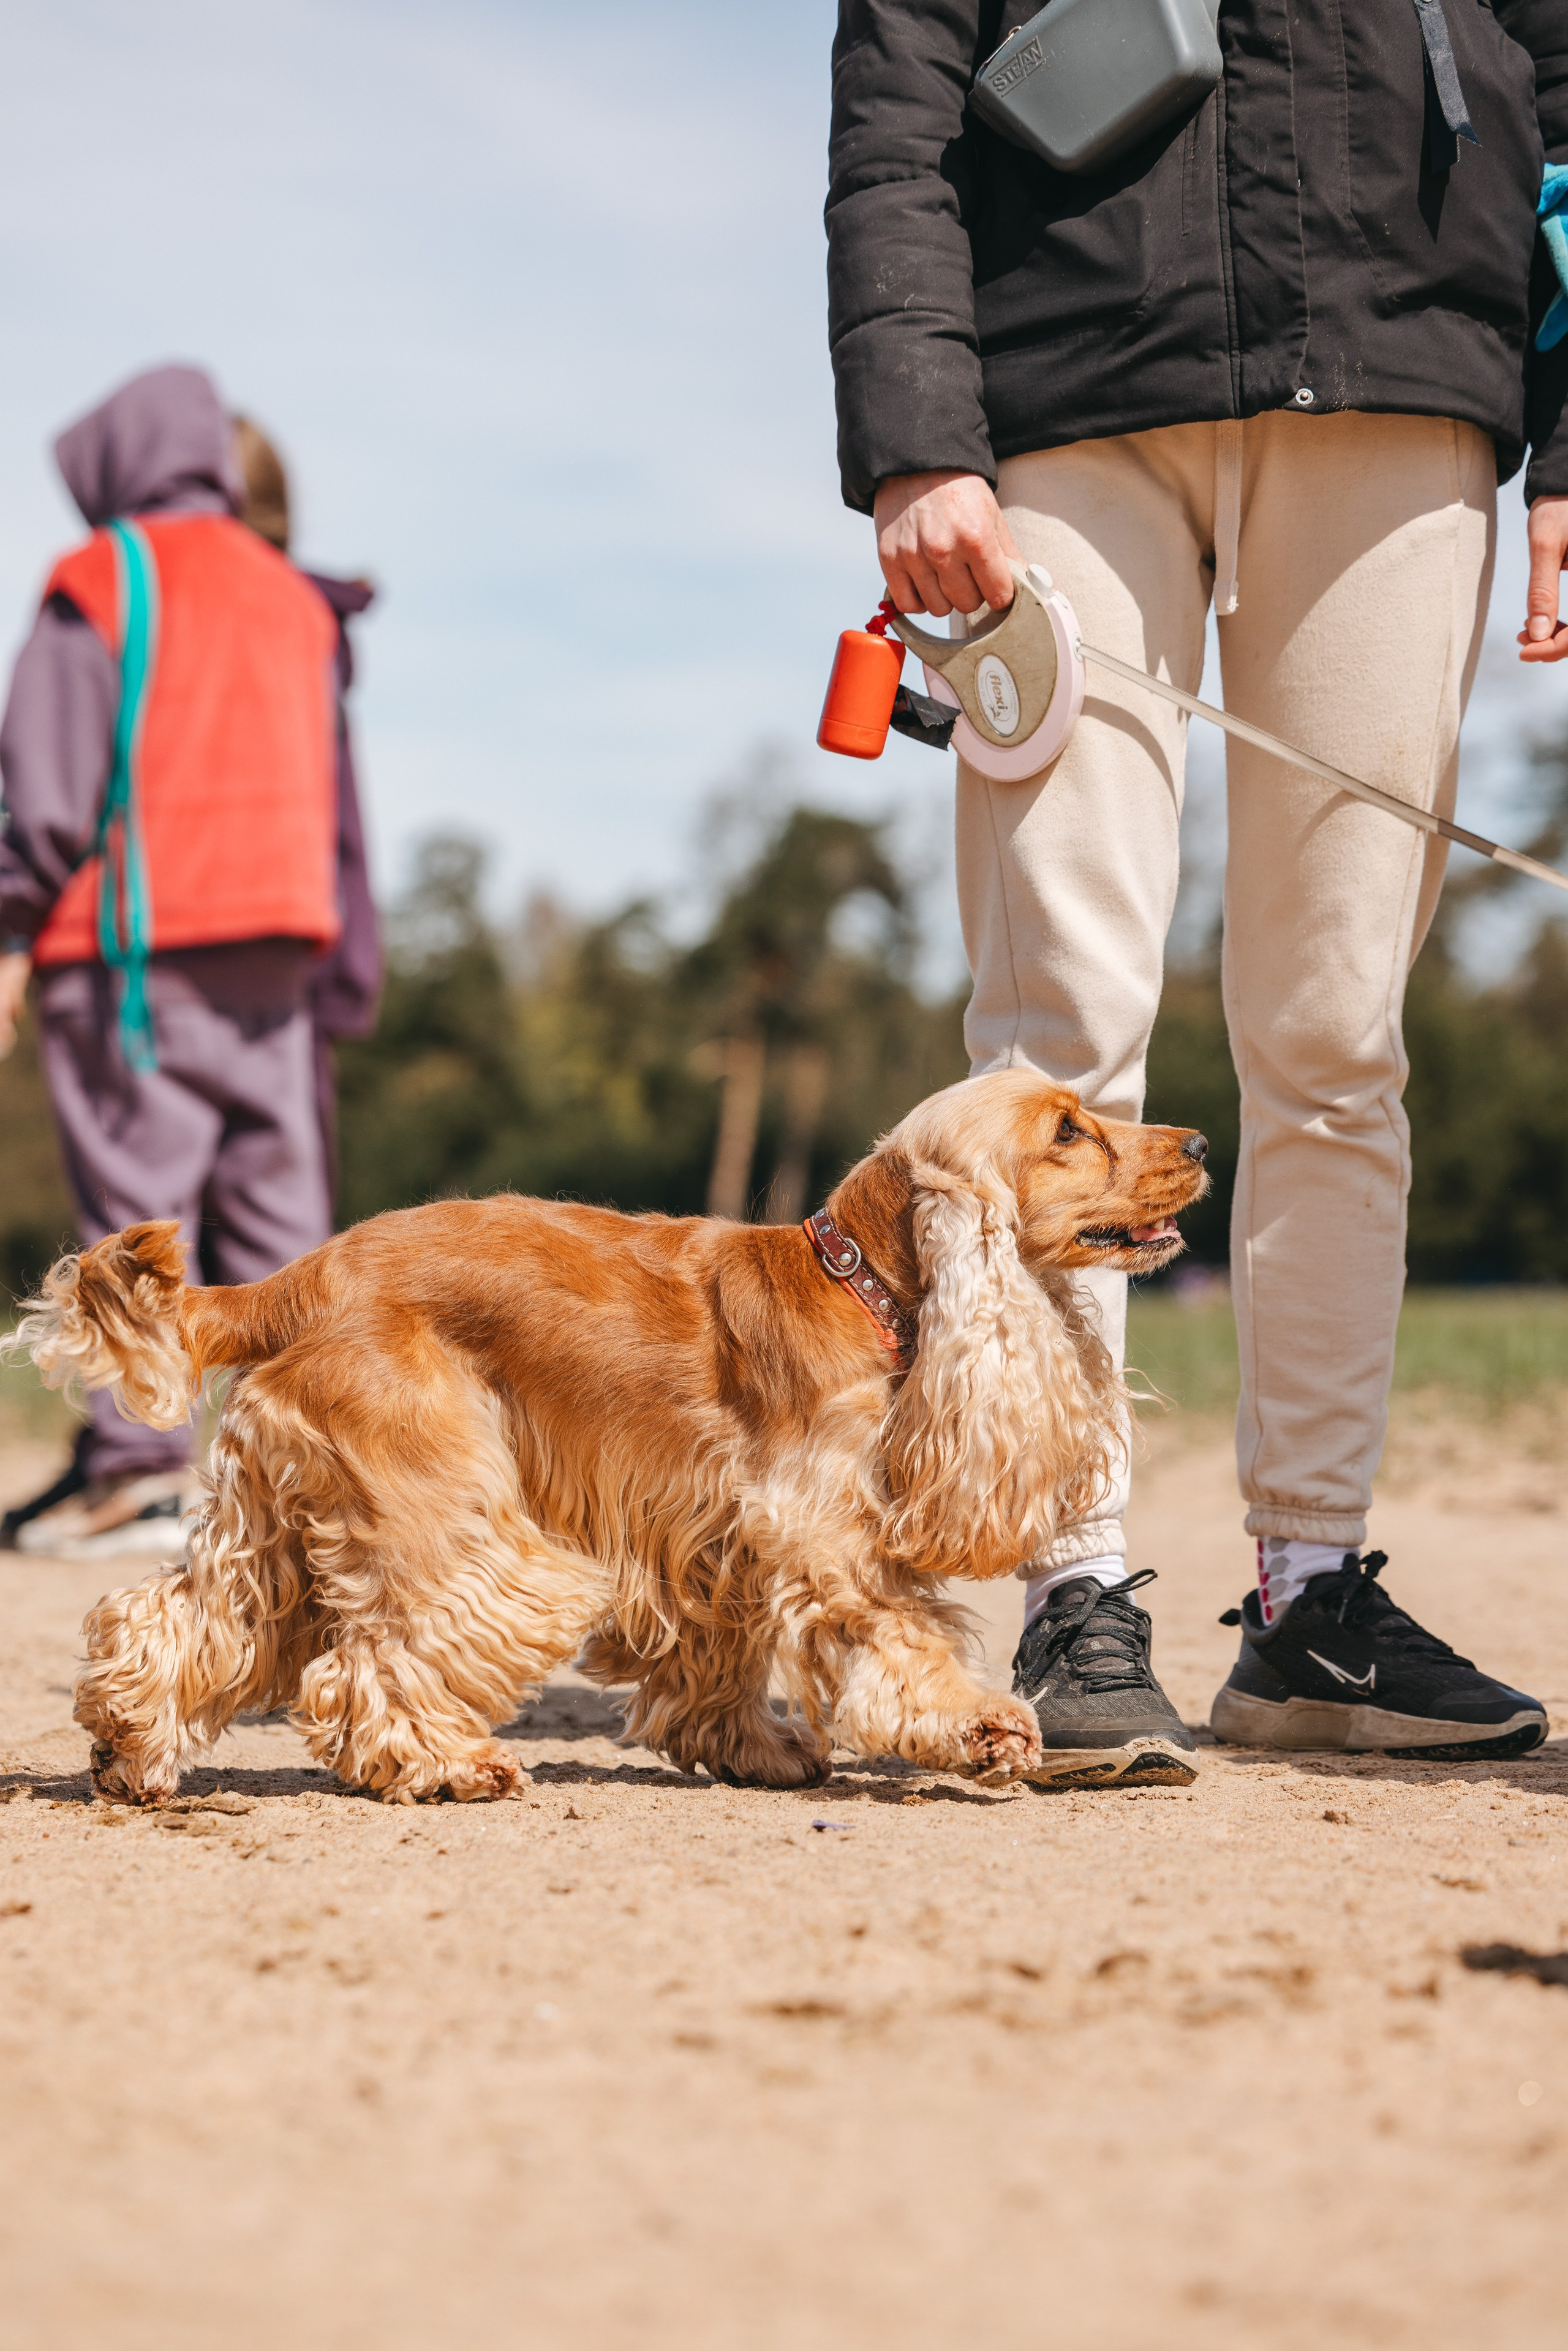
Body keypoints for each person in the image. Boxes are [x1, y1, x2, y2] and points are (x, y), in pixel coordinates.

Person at [827, 0, 1561, 1779]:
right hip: (1064, 404)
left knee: (1332, 1032)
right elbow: (896, 99)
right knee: (1054, 1038)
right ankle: (1070, 1577)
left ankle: (1309, 1595)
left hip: (1403, 386)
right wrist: (917, 432)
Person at [0, 365, 349, 1555]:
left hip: (134, 951)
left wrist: (9, 926)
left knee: (134, 1221)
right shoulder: (294, 595)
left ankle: (141, 1471)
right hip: (280, 955)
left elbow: (45, 786)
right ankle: (307, 1484)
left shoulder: (102, 575)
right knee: (278, 1237)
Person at [231, 415, 382, 1193]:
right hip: (294, 964)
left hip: (172, 956)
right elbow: (340, 819)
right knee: (275, 1255)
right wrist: (350, 968)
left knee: (144, 1253)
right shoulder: (310, 621)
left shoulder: (272, 623)